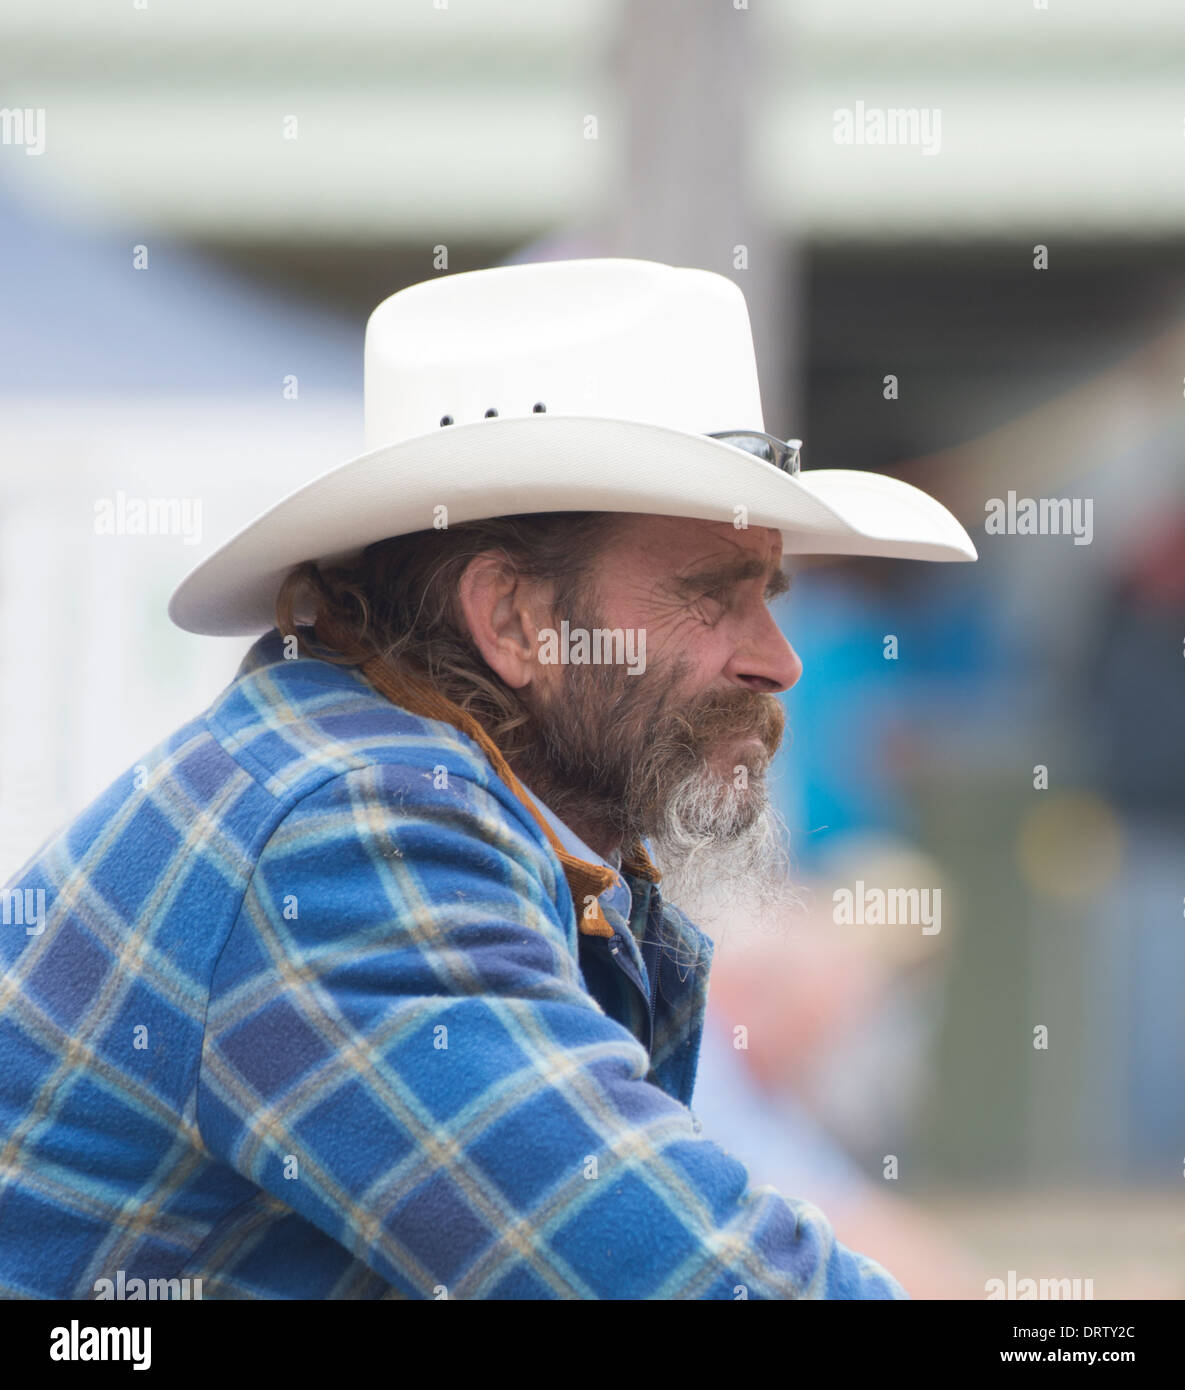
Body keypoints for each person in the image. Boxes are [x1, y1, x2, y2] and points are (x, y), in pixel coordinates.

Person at [0, 257, 975, 1299]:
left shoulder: (401, 796)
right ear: (515, 619)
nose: (778, 658)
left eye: (767, 592)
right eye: (713, 594)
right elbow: (692, 1281)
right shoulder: (355, 832)